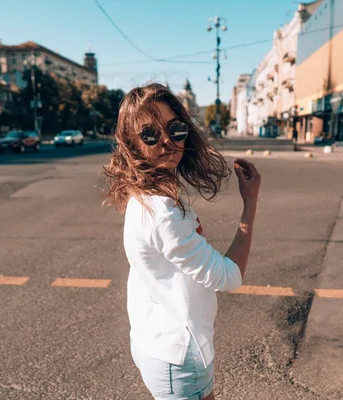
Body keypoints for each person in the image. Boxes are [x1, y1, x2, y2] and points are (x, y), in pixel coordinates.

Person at [102, 83, 261, 400]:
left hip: (160, 342)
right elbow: (228, 277)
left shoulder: (148, 195)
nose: (166, 141)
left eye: (175, 129)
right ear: (132, 143)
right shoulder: (161, 212)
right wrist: (250, 205)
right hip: (179, 356)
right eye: (150, 133)